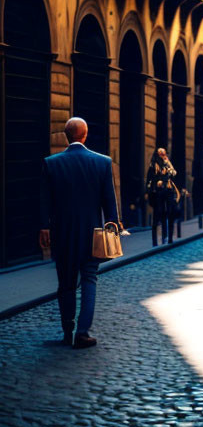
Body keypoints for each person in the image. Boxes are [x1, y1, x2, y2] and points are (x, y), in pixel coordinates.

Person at [38, 117, 120, 349]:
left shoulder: (51, 163)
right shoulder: (102, 163)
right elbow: (109, 201)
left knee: (65, 283)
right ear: (85, 135)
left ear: (66, 136)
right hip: (92, 234)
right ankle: (82, 332)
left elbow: (45, 200)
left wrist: (44, 227)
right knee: (89, 280)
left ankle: (67, 331)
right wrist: (113, 226)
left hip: (62, 233)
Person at [146, 147, 179, 246]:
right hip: (158, 192)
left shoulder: (167, 163)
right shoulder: (153, 165)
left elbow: (174, 173)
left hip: (168, 190)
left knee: (170, 213)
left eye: (164, 154)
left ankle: (169, 238)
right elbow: (149, 180)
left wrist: (168, 165)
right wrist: (151, 189)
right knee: (158, 214)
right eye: (161, 154)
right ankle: (155, 241)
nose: (163, 156)